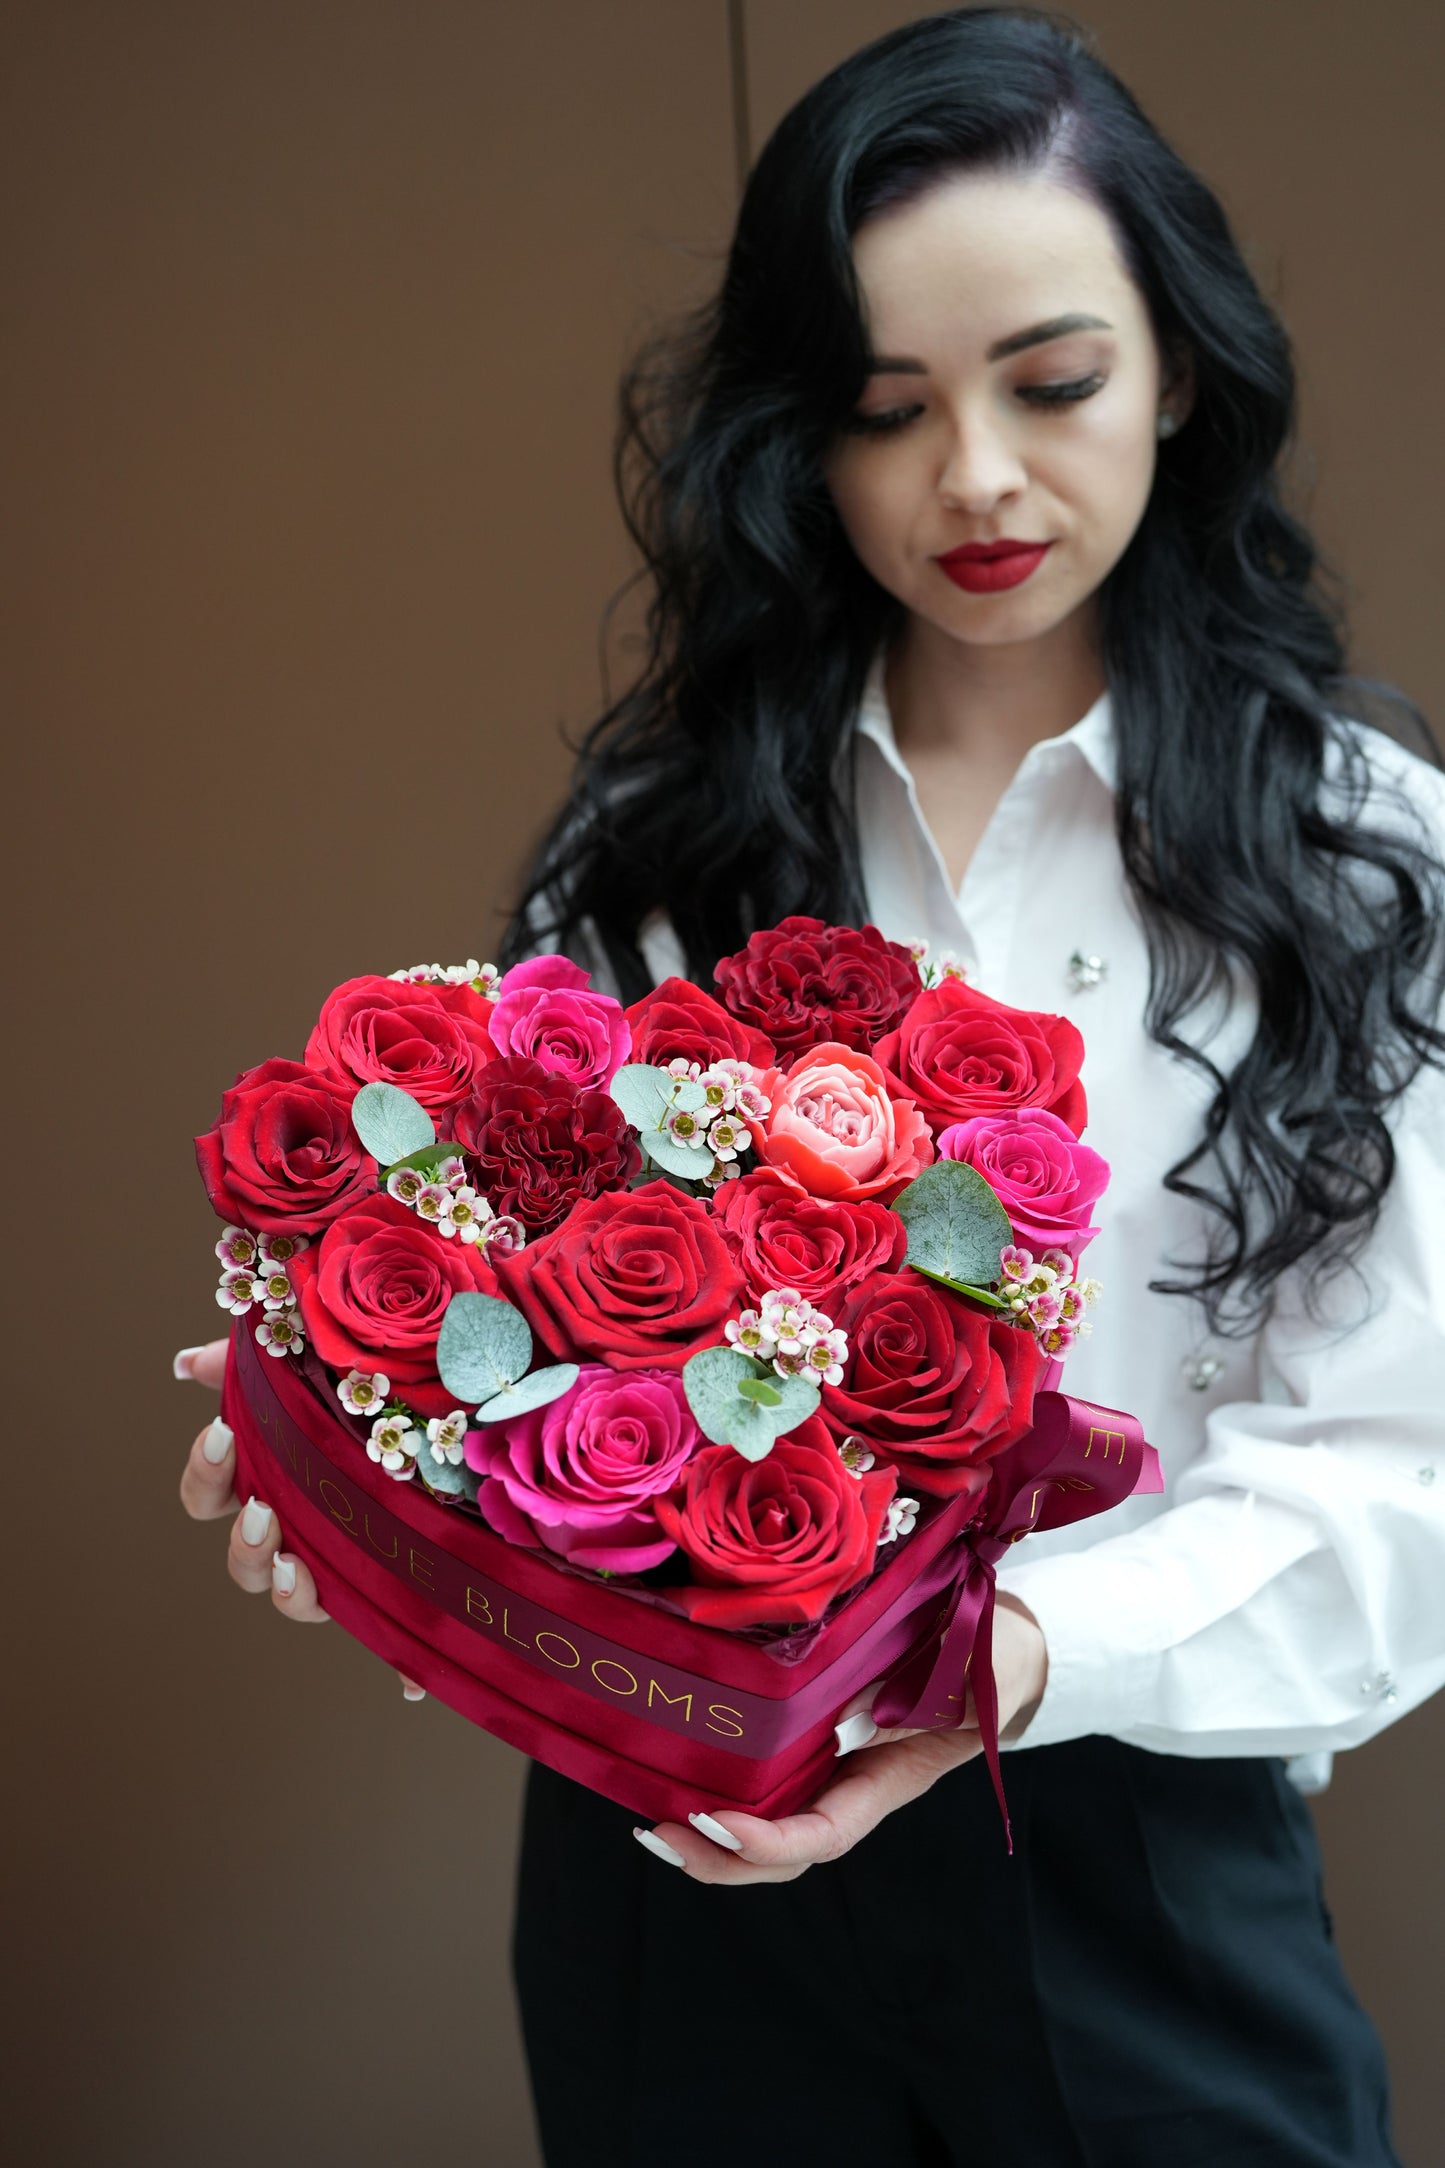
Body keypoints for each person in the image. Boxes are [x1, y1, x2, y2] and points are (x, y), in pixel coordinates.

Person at [177, 11, 1445, 2164]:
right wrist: (374, 1503)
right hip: (667, 1874)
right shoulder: (660, 851)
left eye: (1050, 382)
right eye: (885, 410)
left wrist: (989, 1664)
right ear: (800, 438)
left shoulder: (1362, 863)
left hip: (1123, 1860)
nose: (974, 477)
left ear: (1182, 375)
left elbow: (1405, 1488)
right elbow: (534, 1381)